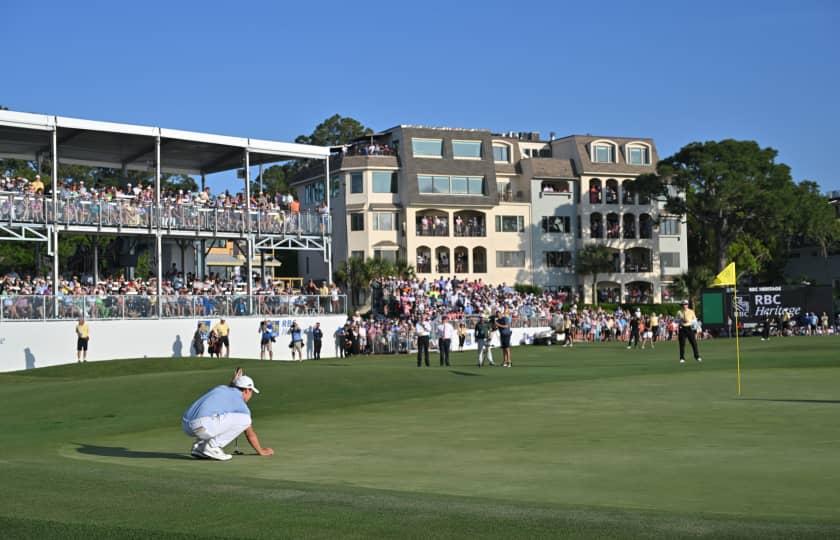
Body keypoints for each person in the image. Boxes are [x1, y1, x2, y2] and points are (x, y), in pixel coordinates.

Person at [181, 374, 274, 461]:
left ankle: (200, 448)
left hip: (186, 426)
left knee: (214, 414)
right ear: (247, 390)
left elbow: (229, 391)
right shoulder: (241, 405)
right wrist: (261, 451)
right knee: (246, 419)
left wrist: (233, 382)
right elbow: (250, 433)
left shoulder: (221, 388)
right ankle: (212, 446)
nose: (251, 395)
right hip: (201, 426)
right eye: (251, 391)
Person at [677, 299, 702, 364]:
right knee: (682, 344)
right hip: (682, 328)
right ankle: (682, 358)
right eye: (683, 304)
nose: (684, 306)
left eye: (686, 304)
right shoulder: (679, 312)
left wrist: (690, 322)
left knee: (694, 343)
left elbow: (695, 320)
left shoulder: (691, 311)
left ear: (687, 305)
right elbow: (675, 320)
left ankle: (697, 356)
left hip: (689, 328)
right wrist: (681, 320)